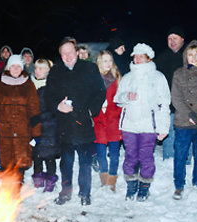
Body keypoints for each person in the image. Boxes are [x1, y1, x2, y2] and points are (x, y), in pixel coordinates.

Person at [44, 37, 105, 206]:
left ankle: (85, 193)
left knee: (85, 162)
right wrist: (57, 106)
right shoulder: (55, 72)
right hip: (64, 126)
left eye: (70, 53)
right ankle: (65, 192)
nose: (68, 57)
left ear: (77, 52)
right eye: (64, 54)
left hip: (83, 123)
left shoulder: (90, 69)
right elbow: (48, 96)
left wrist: (91, 110)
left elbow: (100, 92)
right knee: (66, 163)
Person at [113, 43, 170, 201]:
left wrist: (163, 127)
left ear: (148, 57)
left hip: (148, 125)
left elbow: (164, 104)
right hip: (129, 125)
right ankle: (131, 186)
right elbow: (117, 99)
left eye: (141, 56)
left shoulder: (158, 77)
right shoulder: (127, 77)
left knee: (146, 157)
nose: (137, 59)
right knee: (130, 156)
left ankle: (144, 187)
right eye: (135, 56)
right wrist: (126, 97)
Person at [0, 55, 41, 186]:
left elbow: (35, 110)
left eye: (18, 66)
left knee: (20, 163)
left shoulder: (28, 84)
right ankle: (8, 188)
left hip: (23, 131)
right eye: (13, 66)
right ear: (8, 67)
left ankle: (17, 189)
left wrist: (37, 133)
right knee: (6, 163)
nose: (16, 69)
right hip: (5, 131)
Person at [171, 40, 197, 200]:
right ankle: (179, 186)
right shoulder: (178, 73)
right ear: (185, 56)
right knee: (180, 155)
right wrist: (189, 114)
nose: (194, 58)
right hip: (183, 121)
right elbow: (175, 97)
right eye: (190, 54)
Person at [93, 50, 123, 191]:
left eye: (110, 60)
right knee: (100, 153)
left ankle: (112, 181)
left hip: (113, 122)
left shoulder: (117, 79)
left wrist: (115, 113)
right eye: (105, 60)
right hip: (99, 122)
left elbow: (121, 102)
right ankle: (104, 179)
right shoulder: (93, 78)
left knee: (115, 153)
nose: (108, 63)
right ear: (99, 62)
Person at [156, 26, 186, 160]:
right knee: (169, 132)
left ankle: (186, 160)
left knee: (184, 134)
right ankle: (168, 159)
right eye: (169, 38)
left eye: (175, 38)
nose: (172, 41)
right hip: (168, 105)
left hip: (186, 105)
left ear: (182, 40)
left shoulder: (189, 57)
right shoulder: (161, 58)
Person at [30, 58, 59, 192]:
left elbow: (52, 108)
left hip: (49, 126)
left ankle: (51, 179)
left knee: (49, 154)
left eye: (41, 68)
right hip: (35, 126)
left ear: (48, 70)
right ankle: (38, 179)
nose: (38, 71)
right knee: (36, 153)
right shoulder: (30, 85)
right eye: (36, 68)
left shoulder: (52, 86)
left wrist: (40, 118)